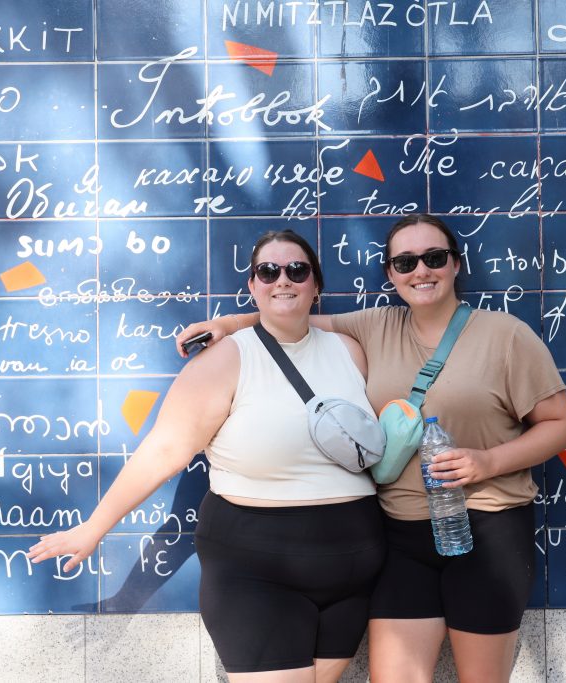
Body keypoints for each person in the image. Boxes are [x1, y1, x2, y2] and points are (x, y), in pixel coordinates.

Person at [176, 214, 566, 683]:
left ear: (455, 265)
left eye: (434, 257)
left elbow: (561, 425)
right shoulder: (373, 326)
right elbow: (291, 312)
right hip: (401, 537)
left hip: (488, 530)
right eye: (405, 262)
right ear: (390, 274)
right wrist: (226, 324)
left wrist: (487, 461)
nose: (420, 271)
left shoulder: (506, 335)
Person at [29, 229, 386, 683]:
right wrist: (94, 527)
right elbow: (165, 449)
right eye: (268, 271)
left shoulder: (351, 351)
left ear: (316, 285)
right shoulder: (224, 360)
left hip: (351, 573)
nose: (283, 280)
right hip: (260, 572)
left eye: (297, 270)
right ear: (253, 286)